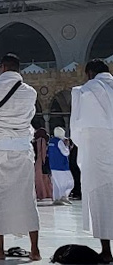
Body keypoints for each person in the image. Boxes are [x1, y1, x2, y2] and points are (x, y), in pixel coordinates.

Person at [0, 54, 41, 262]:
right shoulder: (30, 92)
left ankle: (0, 249)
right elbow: (29, 117)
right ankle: (35, 250)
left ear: (2, 67)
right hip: (21, 150)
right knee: (27, 198)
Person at [70, 59, 113, 263]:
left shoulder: (83, 92)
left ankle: (106, 251)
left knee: (101, 199)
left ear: (89, 73)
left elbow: (75, 128)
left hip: (96, 153)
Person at [48, 127, 73, 206]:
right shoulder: (59, 142)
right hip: (62, 166)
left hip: (53, 165)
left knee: (56, 184)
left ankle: (56, 198)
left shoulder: (51, 141)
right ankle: (63, 196)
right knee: (69, 182)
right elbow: (65, 153)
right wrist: (67, 147)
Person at [32, 125, 53, 201]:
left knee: (39, 178)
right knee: (44, 178)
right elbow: (43, 152)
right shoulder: (42, 140)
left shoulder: (37, 141)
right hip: (41, 161)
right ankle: (46, 193)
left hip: (38, 161)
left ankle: (41, 193)